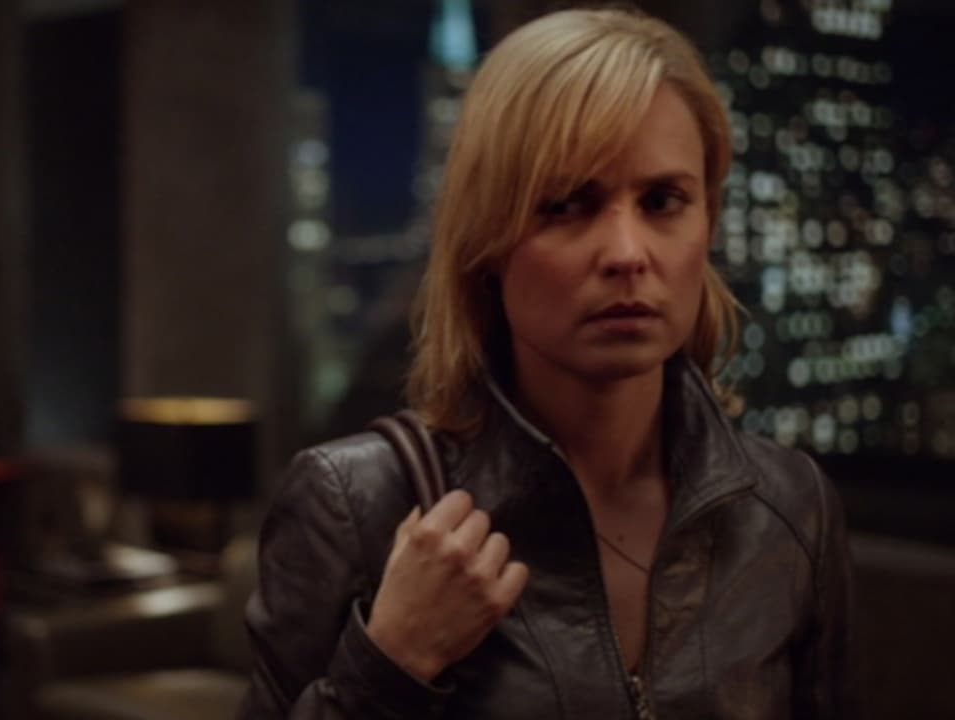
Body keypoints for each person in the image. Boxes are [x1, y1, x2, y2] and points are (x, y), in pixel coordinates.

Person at [240, 7, 851, 719]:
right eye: (566, 205)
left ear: (708, 220)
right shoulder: (355, 504)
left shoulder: (789, 508)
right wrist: (391, 663)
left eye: (663, 201)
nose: (627, 253)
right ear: (488, 240)